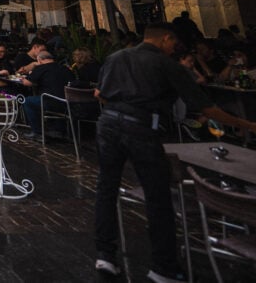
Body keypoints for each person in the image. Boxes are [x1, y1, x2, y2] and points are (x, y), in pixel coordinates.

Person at [93, 22, 256, 281]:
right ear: (166, 39)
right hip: (142, 128)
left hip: (108, 125)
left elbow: (99, 94)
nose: (174, 49)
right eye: (173, 44)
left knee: (106, 189)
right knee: (158, 196)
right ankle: (162, 267)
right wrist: (248, 125)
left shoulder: (116, 57)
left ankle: (105, 256)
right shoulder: (167, 64)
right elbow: (207, 109)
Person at [18, 50, 73, 138]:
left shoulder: (41, 68)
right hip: (68, 103)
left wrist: (22, 78)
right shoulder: (65, 69)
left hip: (50, 101)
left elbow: (28, 83)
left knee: (28, 101)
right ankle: (58, 130)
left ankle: (37, 132)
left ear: (39, 60)